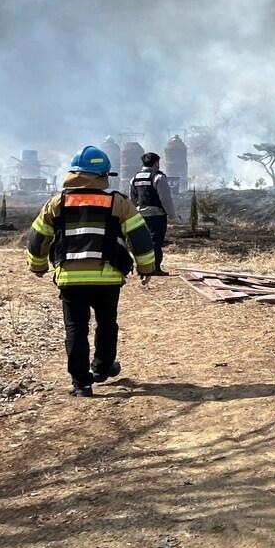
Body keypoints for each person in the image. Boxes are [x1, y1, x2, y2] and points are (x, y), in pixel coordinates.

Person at [24, 145, 156, 396]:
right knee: (107, 323)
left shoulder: (57, 203)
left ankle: (81, 383)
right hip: (107, 277)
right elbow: (140, 237)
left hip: (70, 279)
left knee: (76, 328)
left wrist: (38, 265)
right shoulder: (118, 203)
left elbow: (37, 237)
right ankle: (103, 366)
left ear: (74, 174)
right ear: (103, 175)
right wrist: (146, 267)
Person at [129, 151, 177, 275]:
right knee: (155, 242)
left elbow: (132, 199)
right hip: (157, 216)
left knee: (142, 242)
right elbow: (165, 199)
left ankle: (142, 268)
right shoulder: (159, 177)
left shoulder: (134, 178)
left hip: (140, 216)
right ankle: (154, 268)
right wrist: (172, 215)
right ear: (156, 163)